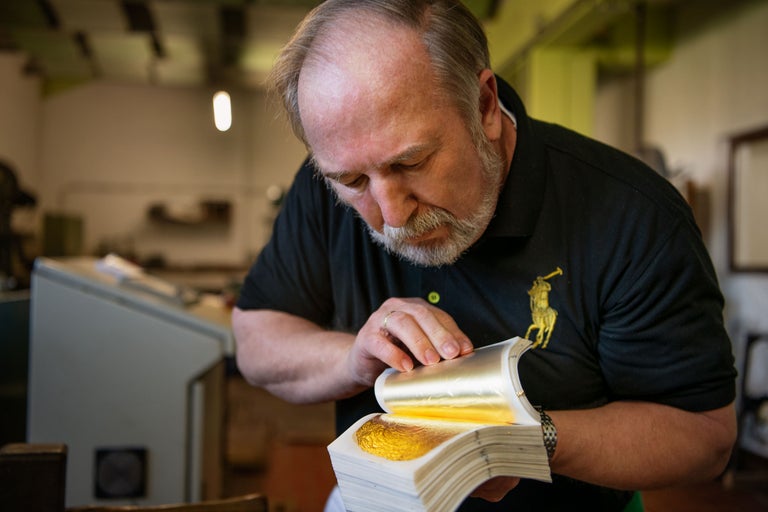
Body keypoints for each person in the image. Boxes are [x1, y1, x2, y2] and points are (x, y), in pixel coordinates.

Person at [232, 1, 737, 510]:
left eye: (412, 161)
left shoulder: (633, 215)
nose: (392, 214)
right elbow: (256, 340)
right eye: (354, 181)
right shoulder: (327, 181)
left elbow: (703, 436)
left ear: (485, 107)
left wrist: (518, 442)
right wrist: (352, 359)